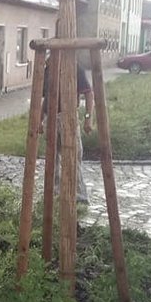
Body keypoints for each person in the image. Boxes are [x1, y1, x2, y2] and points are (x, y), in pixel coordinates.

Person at [39, 54, 94, 205]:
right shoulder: (48, 70)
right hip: (50, 117)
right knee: (52, 158)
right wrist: (40, 120)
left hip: (68, 116)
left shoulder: (75, 68)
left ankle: (79, 196)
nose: (50, 58)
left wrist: (88, 118)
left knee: (73, 155)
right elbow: (46, 98)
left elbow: (88, 93)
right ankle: (55, 193)